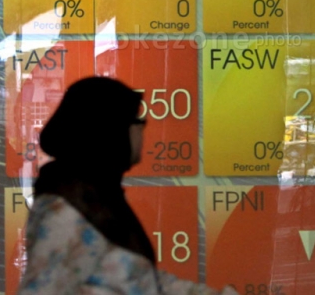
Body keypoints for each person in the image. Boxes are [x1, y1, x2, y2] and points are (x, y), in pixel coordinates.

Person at [18, 77, 237, 295]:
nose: (142, 128)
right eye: (137, 120)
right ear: (111, 129)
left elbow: (139, 280)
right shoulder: (67, 211)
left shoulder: (98, 197)